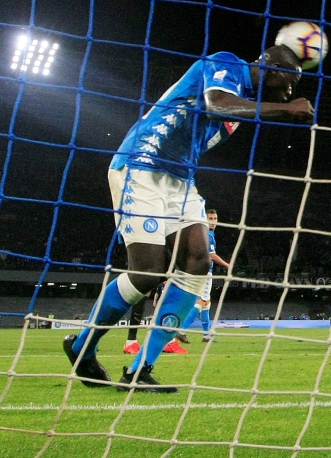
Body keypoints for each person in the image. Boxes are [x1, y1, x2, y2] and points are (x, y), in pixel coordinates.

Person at [63, 44, 314, 392]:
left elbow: (212, 123)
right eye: (291, 79)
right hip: (142, 163)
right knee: (148, 271)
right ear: (272, 66)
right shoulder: (227, 64)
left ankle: (139, 369)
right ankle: (82, 348)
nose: (292, 90)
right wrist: (286, 109)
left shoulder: (239, 110)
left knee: (197, 262)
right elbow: (215, 103)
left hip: (180, 179)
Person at [178, 208, 230, 342]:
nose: (213, 222)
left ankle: (207, 335)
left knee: (207, 303)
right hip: (205, 272)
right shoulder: (208, 235)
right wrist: (226, 264)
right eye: (210, 219)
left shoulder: (201, 233)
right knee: (203, 301)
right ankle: (181, 330)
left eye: (215, 219)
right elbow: (211, 255)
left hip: (198, 271)